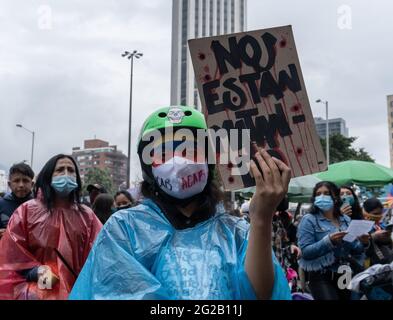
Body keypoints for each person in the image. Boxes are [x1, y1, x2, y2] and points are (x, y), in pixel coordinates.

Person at [69, 105, 292, 300]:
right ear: (149, 168)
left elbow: (261, 294)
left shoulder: (235, 232)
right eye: (163, 153)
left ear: (210, 160)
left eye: (190, 150)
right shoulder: (124, 229)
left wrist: (262, 218)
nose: (178, 161)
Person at [0, 154, 102, 300]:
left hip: (78, 292)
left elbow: (99, 255)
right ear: (48, 176)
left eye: (71, 170)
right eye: (60, 170)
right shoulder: (27, 211)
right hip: (38, 293)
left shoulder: (87, 216)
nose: (66, 174)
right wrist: (34, 271)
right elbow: (11, 255)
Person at [297, 181, 369, 300]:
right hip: (321, 275)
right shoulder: (309, 220)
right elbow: (305, 252)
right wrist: (328, 241)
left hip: (344, 273)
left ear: (335, 197)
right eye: (318, 194)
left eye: (326, 193)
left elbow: (356, 249)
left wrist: (364, 242)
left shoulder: (345, 219)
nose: (322, 197)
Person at [0, 163, 34, 238]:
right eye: (16, 180)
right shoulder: (1, 204)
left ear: (32, 184)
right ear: (9, 184)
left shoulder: (39, 206)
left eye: (25, 181)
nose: (21, 185)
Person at [363, 198, 393, 266]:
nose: (378, 216)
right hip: (372, 264)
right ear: (366, 213)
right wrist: (373, 237)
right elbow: (361, 248)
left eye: (380, 213)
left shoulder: (381, 224)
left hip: (387, 260)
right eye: (375, 213)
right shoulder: (362, 226)